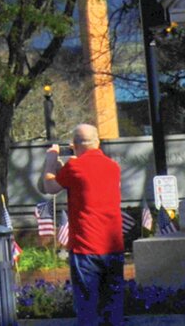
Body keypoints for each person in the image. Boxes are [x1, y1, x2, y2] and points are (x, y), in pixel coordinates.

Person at [42, 123, 125, 326]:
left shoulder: (75, 167)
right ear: (98, 143)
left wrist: (50, 161)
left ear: (74, 145)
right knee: (112, 307)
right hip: (113, 247)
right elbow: (85, 183)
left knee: (88, 309)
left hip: (85, 247)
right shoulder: (113, 167)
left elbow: (49, 186)